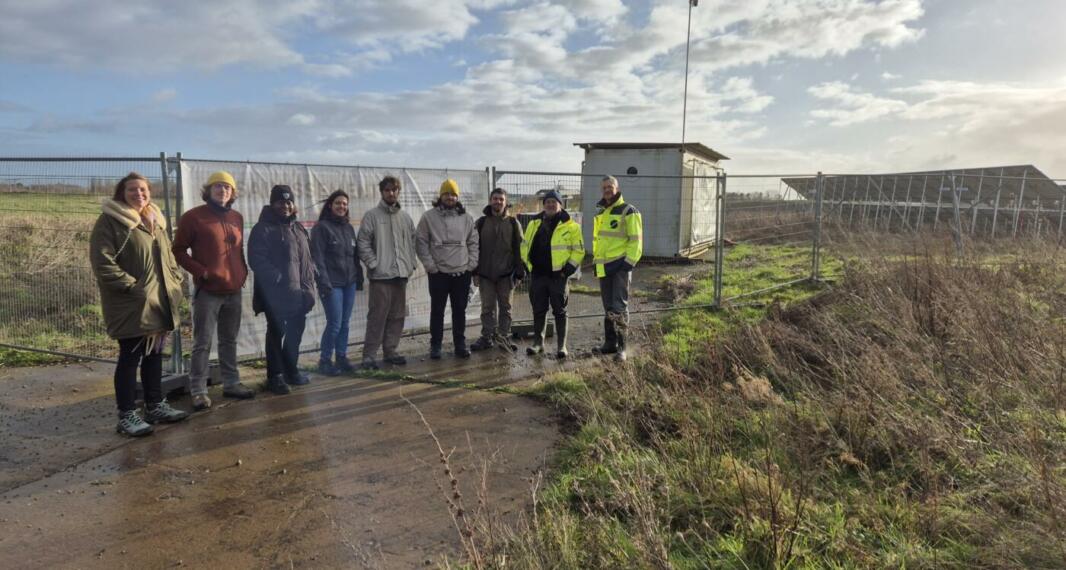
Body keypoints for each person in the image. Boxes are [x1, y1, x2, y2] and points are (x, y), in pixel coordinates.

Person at [89, 172, 189, 436]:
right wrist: (133, 288)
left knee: (154, 357)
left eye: (143, 189)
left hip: (160, 301)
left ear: (149, 193)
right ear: (121, 193)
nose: (139, 194)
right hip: (132, 305)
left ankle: (154, 405)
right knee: (130, 358)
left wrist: (175, 279)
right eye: (132, 189)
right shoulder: (111, 221)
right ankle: (126, 415)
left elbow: (168, 257)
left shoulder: (156, 220)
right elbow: (102, 262)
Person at [171, 170, 255, 411]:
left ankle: (231, 383)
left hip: (233, 290)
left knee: (229, 340)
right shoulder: (193, 217)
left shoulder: (236, 217)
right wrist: (202, 272)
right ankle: (198, 390)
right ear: (208, 191)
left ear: (232, 193)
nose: (222, 190)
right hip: (208, 291)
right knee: (203, 342)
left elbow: (237, 250)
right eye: (217, 186)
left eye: (227, 187)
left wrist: (242, 272)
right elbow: (178, 250)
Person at [247, 184, 316, 394]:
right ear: (272, 204)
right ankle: (275, 376)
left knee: (295, 332)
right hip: (275, 294)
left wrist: (312, 276)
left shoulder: (299, 228)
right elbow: (256, 259)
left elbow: (307, 258)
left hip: (300, 293)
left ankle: (290, 370)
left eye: (288, 202)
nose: (285, 206)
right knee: (276, 332)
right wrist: (277, 277)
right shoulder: (262, 228)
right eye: (280, 202)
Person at [357, 175, 418, 369]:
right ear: (382, 192)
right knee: (377, 317)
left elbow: (413, 243)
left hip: (401, 276)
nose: (391, 193)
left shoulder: (405, 218)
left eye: (394, 190)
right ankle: (369, 356)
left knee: (397, 316)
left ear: (398, 192)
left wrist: (411, 264)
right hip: (381, 277)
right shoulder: (372, 216)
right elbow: (363, 243)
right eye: (387, 190)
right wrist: (374, 264)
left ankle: (390, 351)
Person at [416, 179, 479, 359]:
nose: (450, 197)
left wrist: (471, 265)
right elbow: (421, 242)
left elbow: (473, 242)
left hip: (461, 274)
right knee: (437, 311)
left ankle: (460, 344)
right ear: (440, 196)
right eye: (446, 194)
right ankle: (435, 346)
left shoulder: (467, 218)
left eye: (453, 194)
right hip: (438, 274)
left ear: (457, 197)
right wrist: (430, 266)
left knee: (459, 311)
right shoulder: (428, 217)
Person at [520, 190, 583, 358]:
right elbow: (525, 246)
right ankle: (538, 343)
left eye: (554, 202)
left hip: (558, 277)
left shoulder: (571, 226)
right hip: (538, 275)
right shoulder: (534, 223)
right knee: (538, 309)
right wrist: (527, 266)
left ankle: (561, 346)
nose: (550, 204)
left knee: (560, 311)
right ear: (544, 205)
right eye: (547, 202)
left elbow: (578, 251)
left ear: (560, 204)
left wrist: (567, 270)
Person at [310, 190, 364, 376]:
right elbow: (317, 259)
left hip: (349, 282)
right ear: (330, 205)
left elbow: (354, 256)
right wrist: (324, 283)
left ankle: (341, 357)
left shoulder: (348, 228)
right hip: (332, 284)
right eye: (338, 203)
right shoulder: (321, 228)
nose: (342, 206)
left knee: (345, 323)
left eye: (345, 204)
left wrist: (358, 278)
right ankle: (325, 360)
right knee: (334, 323)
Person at [592, 175, 643, 362]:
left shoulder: (629, 211)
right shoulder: (601, 212)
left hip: (620, 266)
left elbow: (636, 240)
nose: (607, 190)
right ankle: (610, 343)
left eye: (610, 186)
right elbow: (599, 241)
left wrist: (628, 263)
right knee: (608, 307)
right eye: (604, 187)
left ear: (617, 188)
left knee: (619, 307)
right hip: (603, 266)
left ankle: (622, 348)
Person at [471, 188, 523, 352]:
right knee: (487, 308)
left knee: (506, 308)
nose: (498, 202)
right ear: (490, 201)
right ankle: (487, 337)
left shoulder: (513, 223)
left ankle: (504, 337)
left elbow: (519, 249)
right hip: (485, 275)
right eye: (495, 198)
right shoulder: (481, 223)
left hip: (506, 275)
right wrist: (474, 272)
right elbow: (474, 249)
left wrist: (519, 272)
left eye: (501, 199)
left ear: (506, 202)